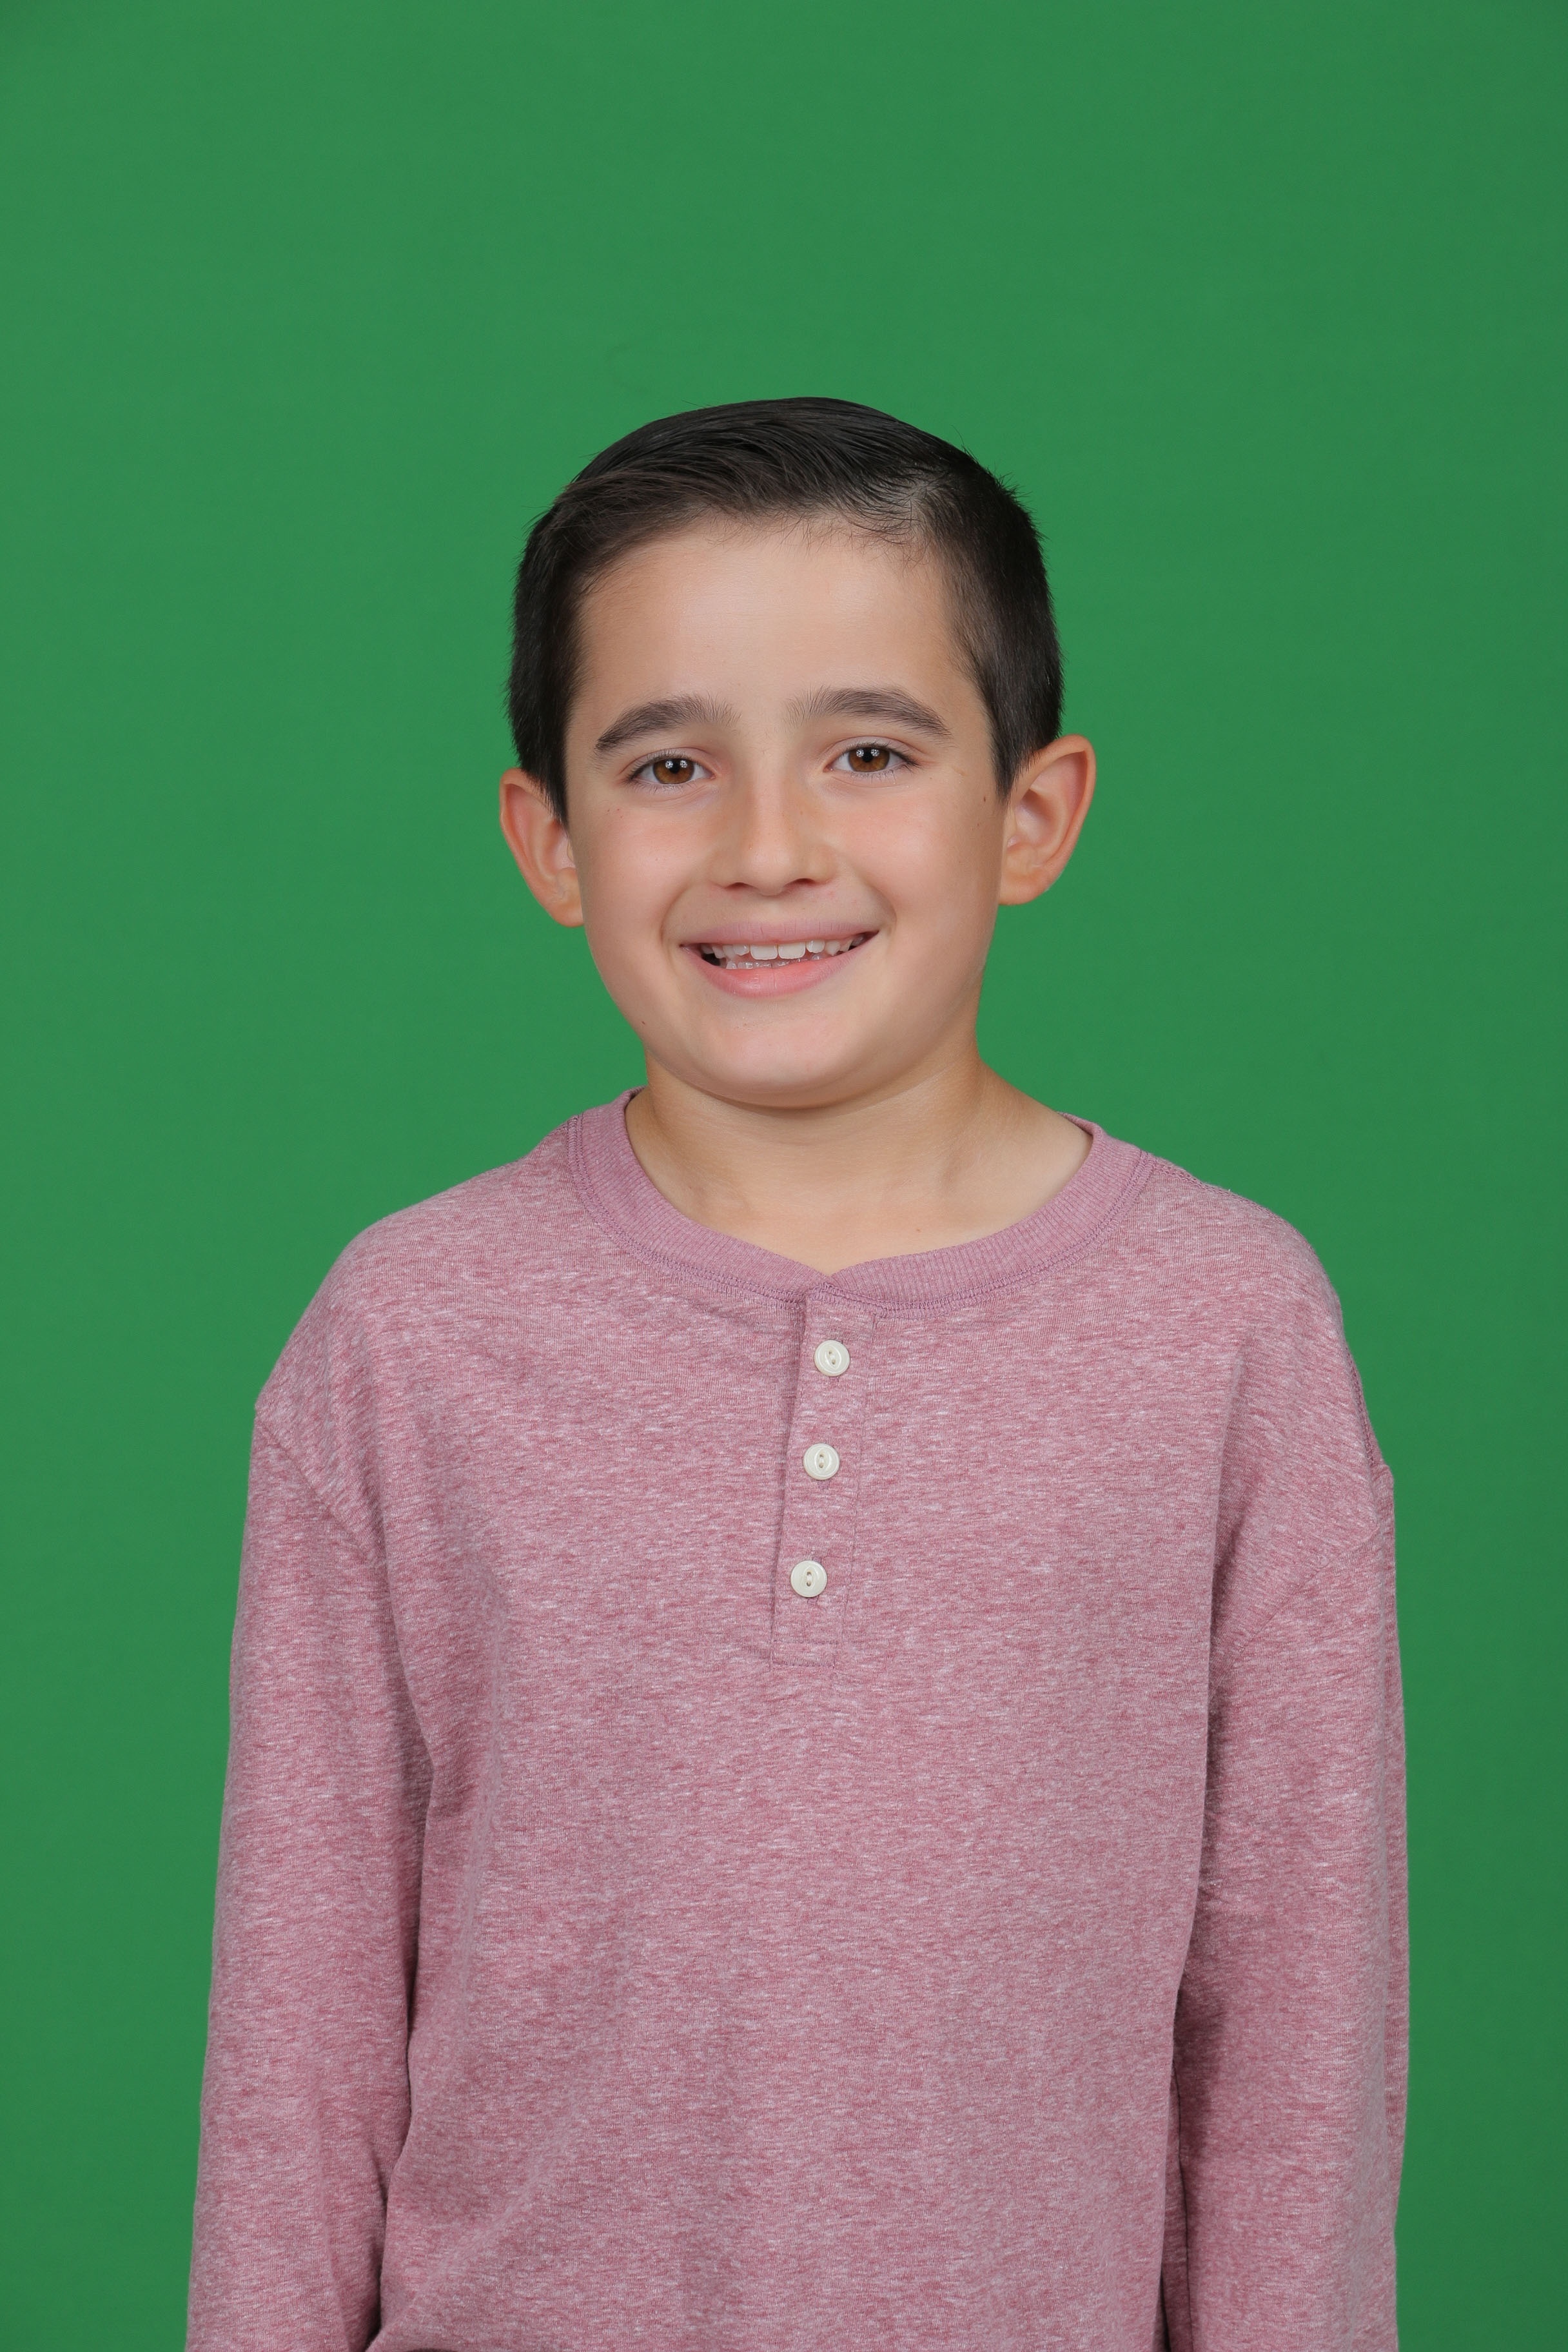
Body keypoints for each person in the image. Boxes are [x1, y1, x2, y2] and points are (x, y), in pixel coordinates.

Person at [187, 398, 1406, 2351]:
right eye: (669, 764)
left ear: (1032, 815)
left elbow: (1294, 2044)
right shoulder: (408, 1332)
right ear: (549, 839)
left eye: (870, 753)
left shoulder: (1228, 1326)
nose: (768, 848)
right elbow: (297, 2047)